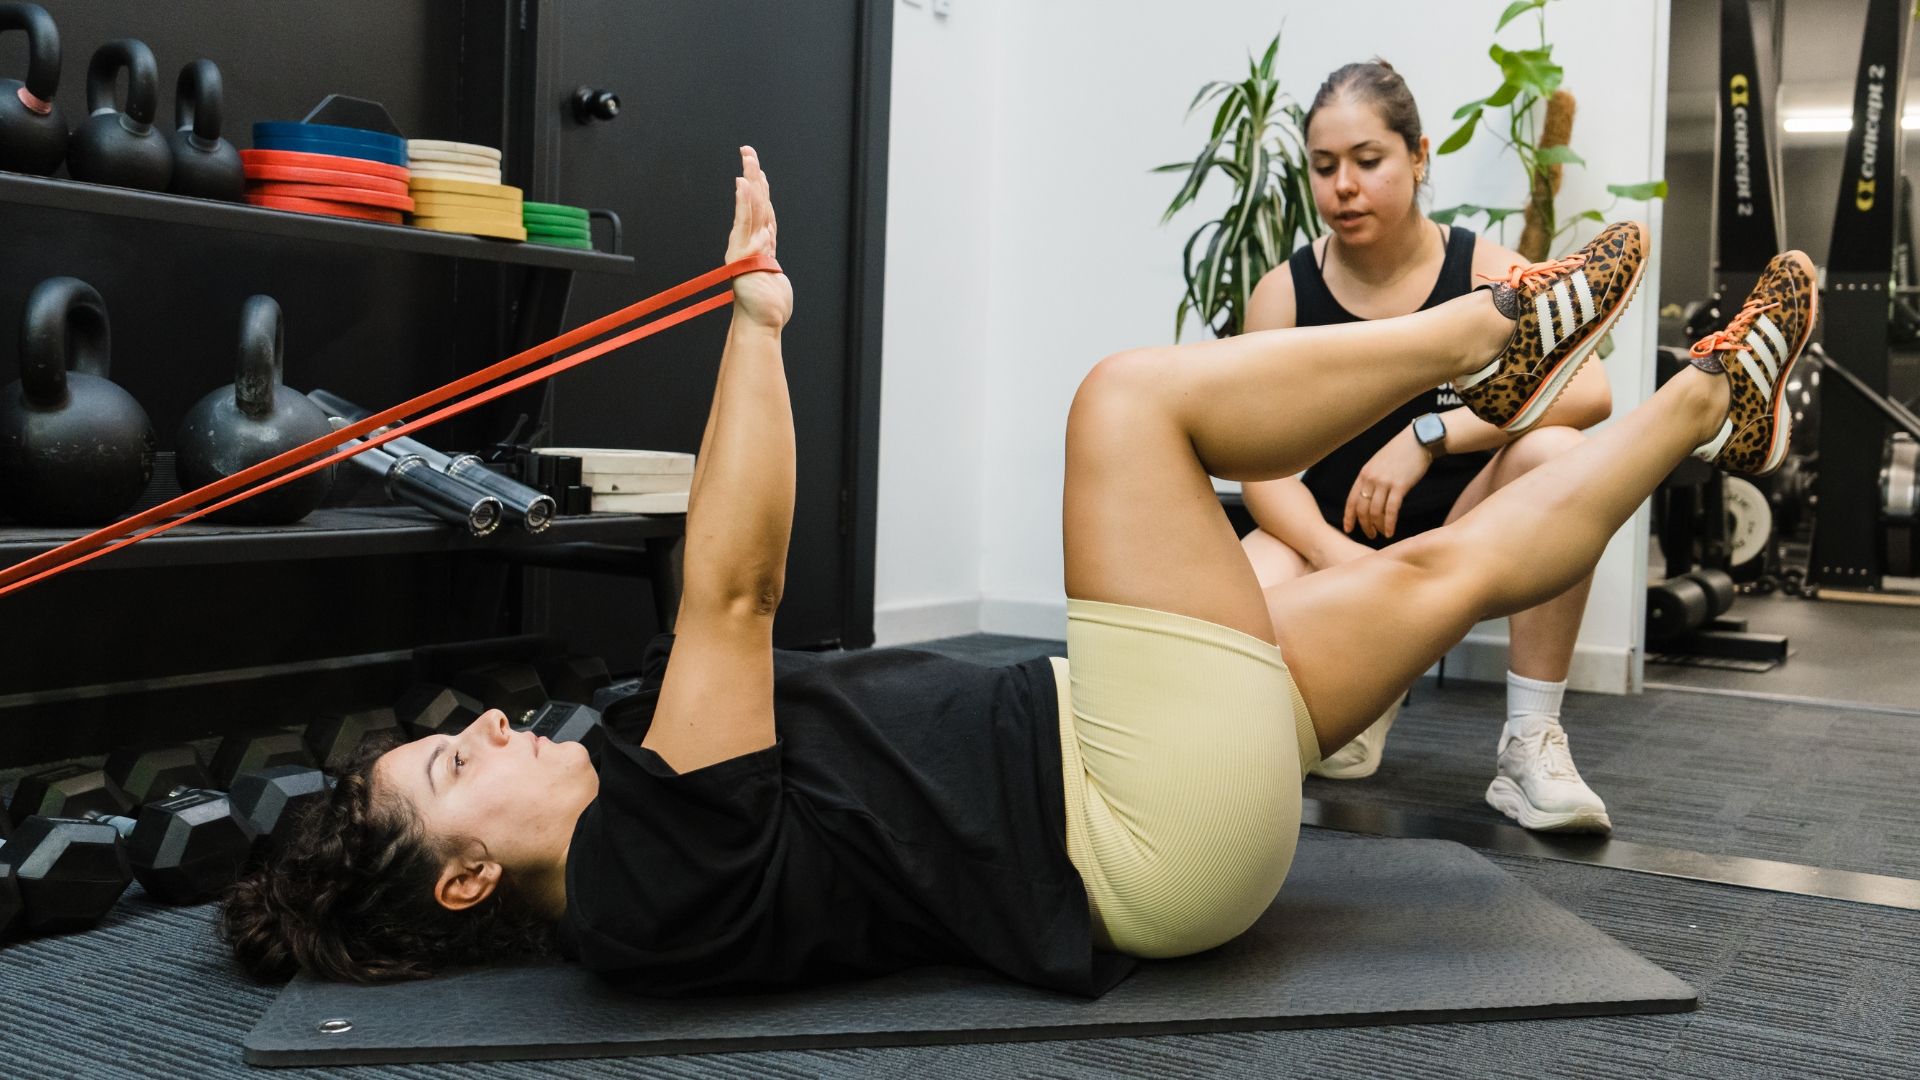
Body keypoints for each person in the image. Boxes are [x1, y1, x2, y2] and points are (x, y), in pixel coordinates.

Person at [223, 145, 1816, 998]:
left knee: (1447, 570)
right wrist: (758, 321)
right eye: (455, 765)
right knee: (1128, 406)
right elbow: (733, 587)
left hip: (1172, 845)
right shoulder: (639, 873)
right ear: (465, 880)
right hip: (1128, 803)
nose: (492, 729)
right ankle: (1491, 336)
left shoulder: (642, 858)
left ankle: (1702, 401)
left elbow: (735, 603)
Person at [1237, 59, 1616, 832]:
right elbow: (1257, 466)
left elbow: (1589, 392)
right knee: (1239, 606)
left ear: (1418, 157)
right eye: (1323, 167)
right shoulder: (1284, 292)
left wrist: (1431, 435)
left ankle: (1530, 742)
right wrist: (1345, 561)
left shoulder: (1487, 270)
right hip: (1335, 542)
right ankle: (1369, 690)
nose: (1344, 185)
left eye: (1368, 161)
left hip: (1466, 531)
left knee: (1563, 458)